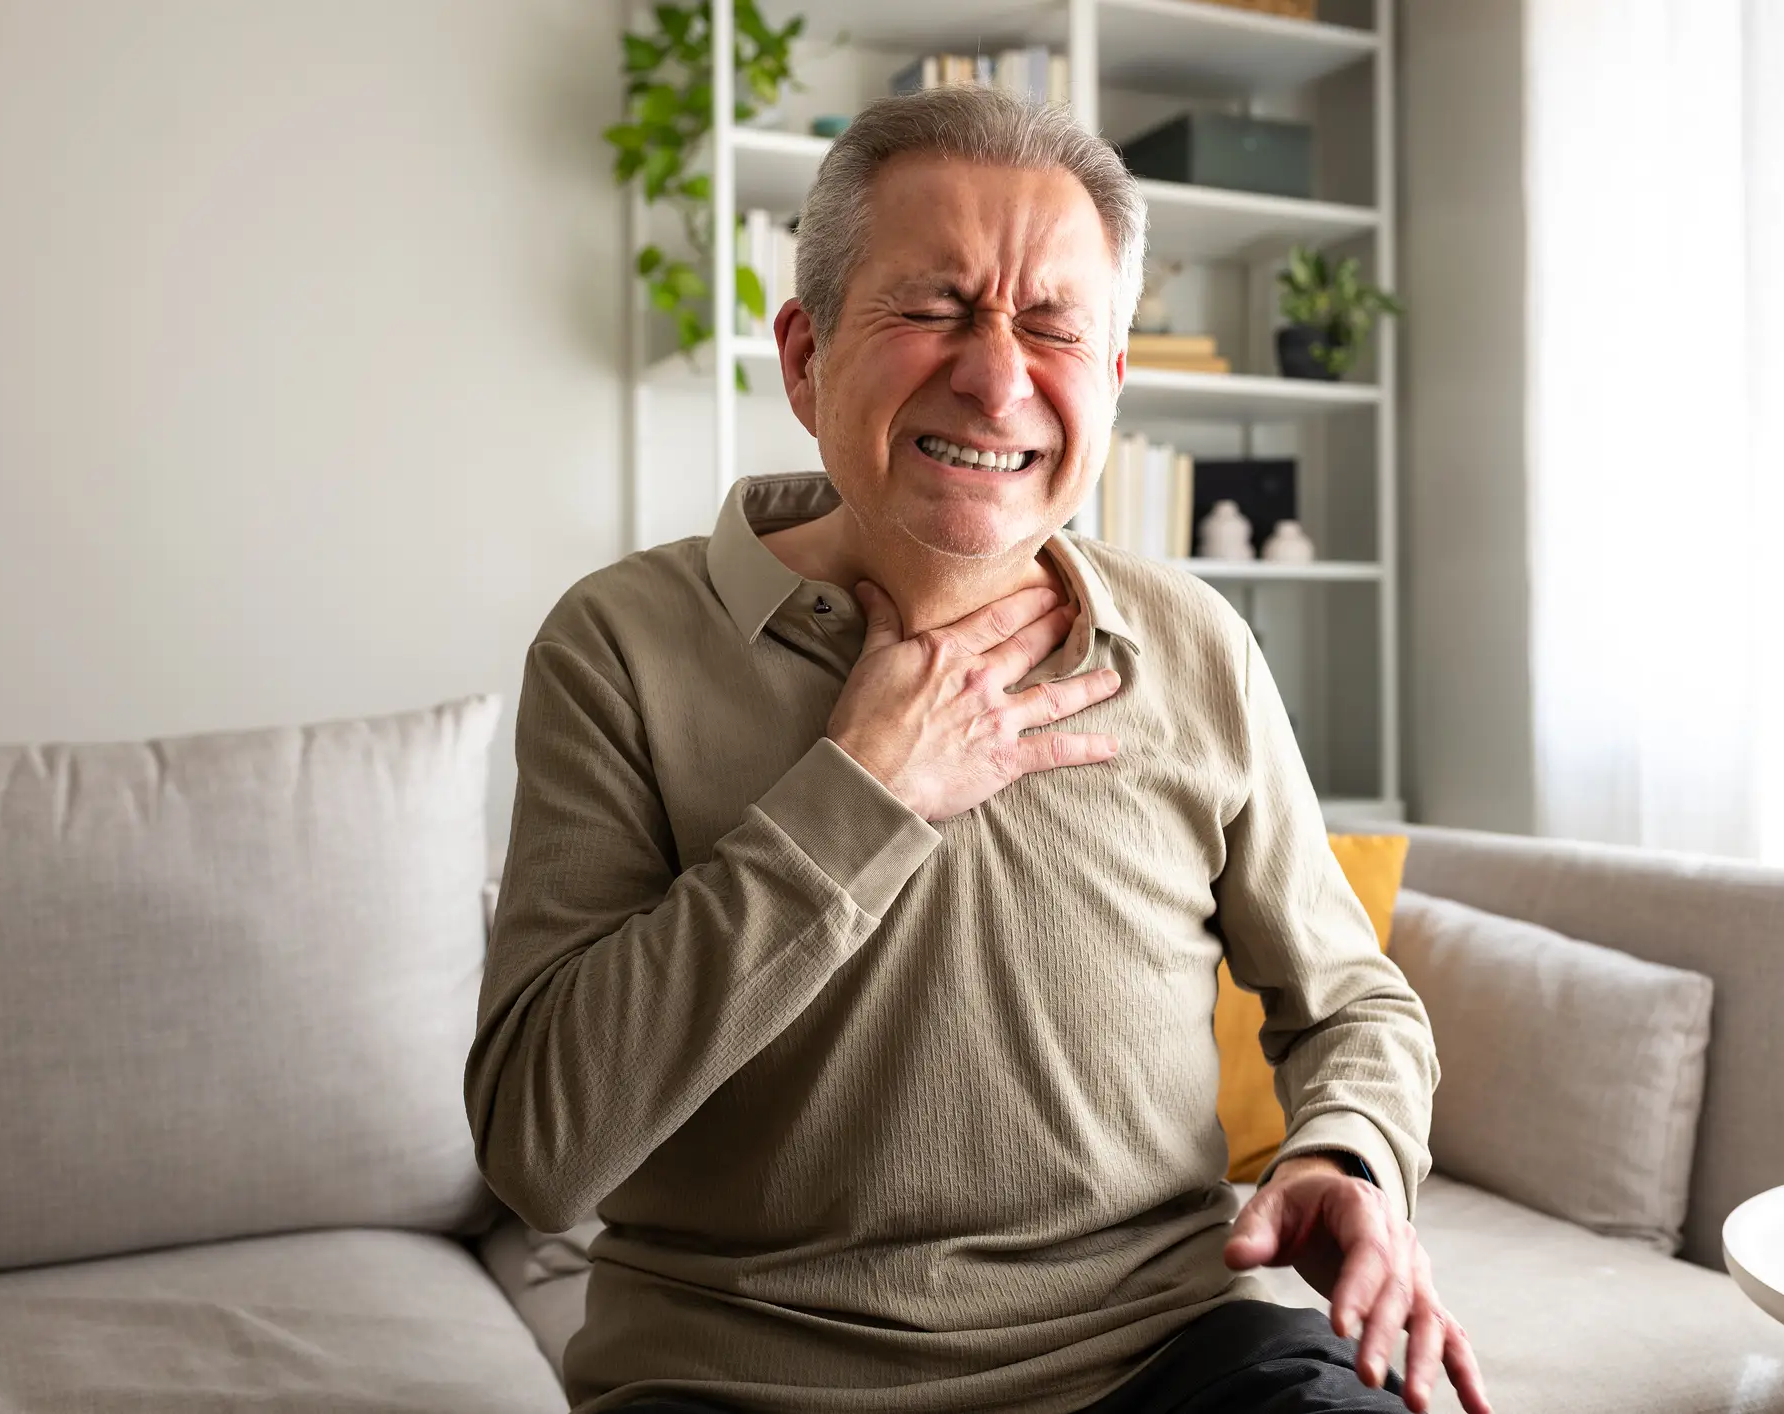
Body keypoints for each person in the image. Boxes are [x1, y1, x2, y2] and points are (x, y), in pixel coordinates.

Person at [467, 86, 1489, 1414]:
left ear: (1111, 385)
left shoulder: (1196, 646)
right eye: (935, 305)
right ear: (805, 356)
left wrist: (1349, 1162)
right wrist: (859, 795)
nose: (999, 375)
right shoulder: (618, 645)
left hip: (1168, 1361)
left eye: (1054, 325)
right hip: (742, 1381)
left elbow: (1353, 1001)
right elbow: (541, 1146)